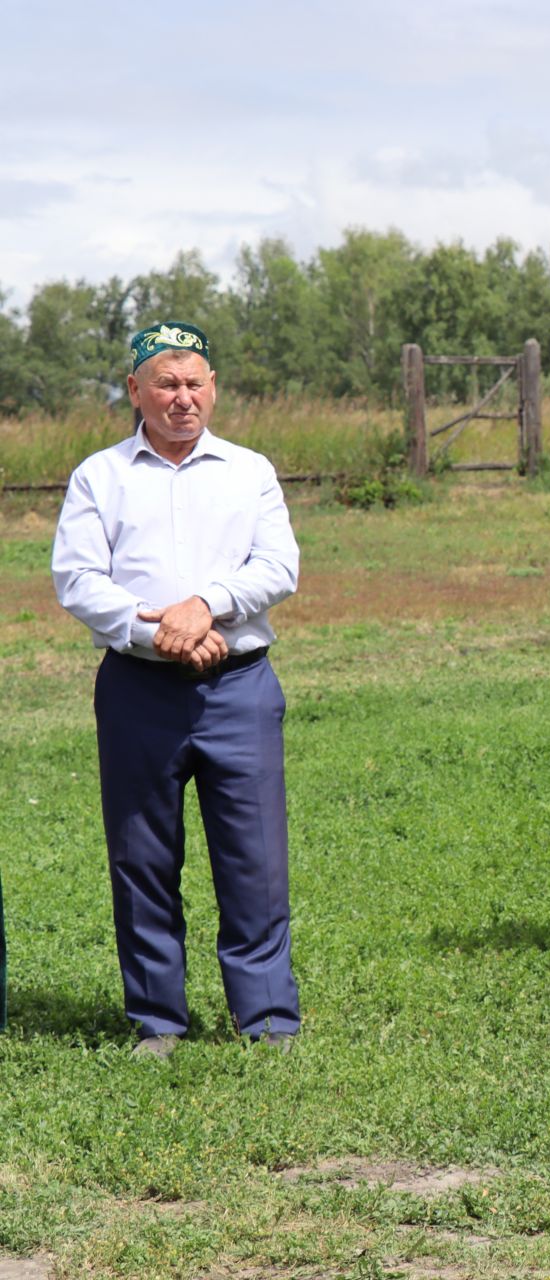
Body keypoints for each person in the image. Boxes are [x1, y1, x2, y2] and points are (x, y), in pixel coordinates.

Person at [51, 321, 303, 1058]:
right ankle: (158, 1021)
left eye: (195, 383)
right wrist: (151, 629)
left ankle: (266, 1021)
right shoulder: (100, 475)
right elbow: (77, 578)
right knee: (142, 859)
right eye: (166, 383)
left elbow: (279, 566)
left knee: (254, 861)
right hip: (138, 690)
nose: (182, 398)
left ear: (213, 388)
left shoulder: (249, 470)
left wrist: (206, 606)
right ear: (136, 391)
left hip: (239, 686)